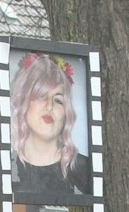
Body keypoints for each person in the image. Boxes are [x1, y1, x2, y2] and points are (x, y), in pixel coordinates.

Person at [10, 52, 91, 200]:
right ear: (23, 102)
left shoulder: (85, 170)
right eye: (41, 96)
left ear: (67, 112)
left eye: (58, 100)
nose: (49, 106)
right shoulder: (7, 169)